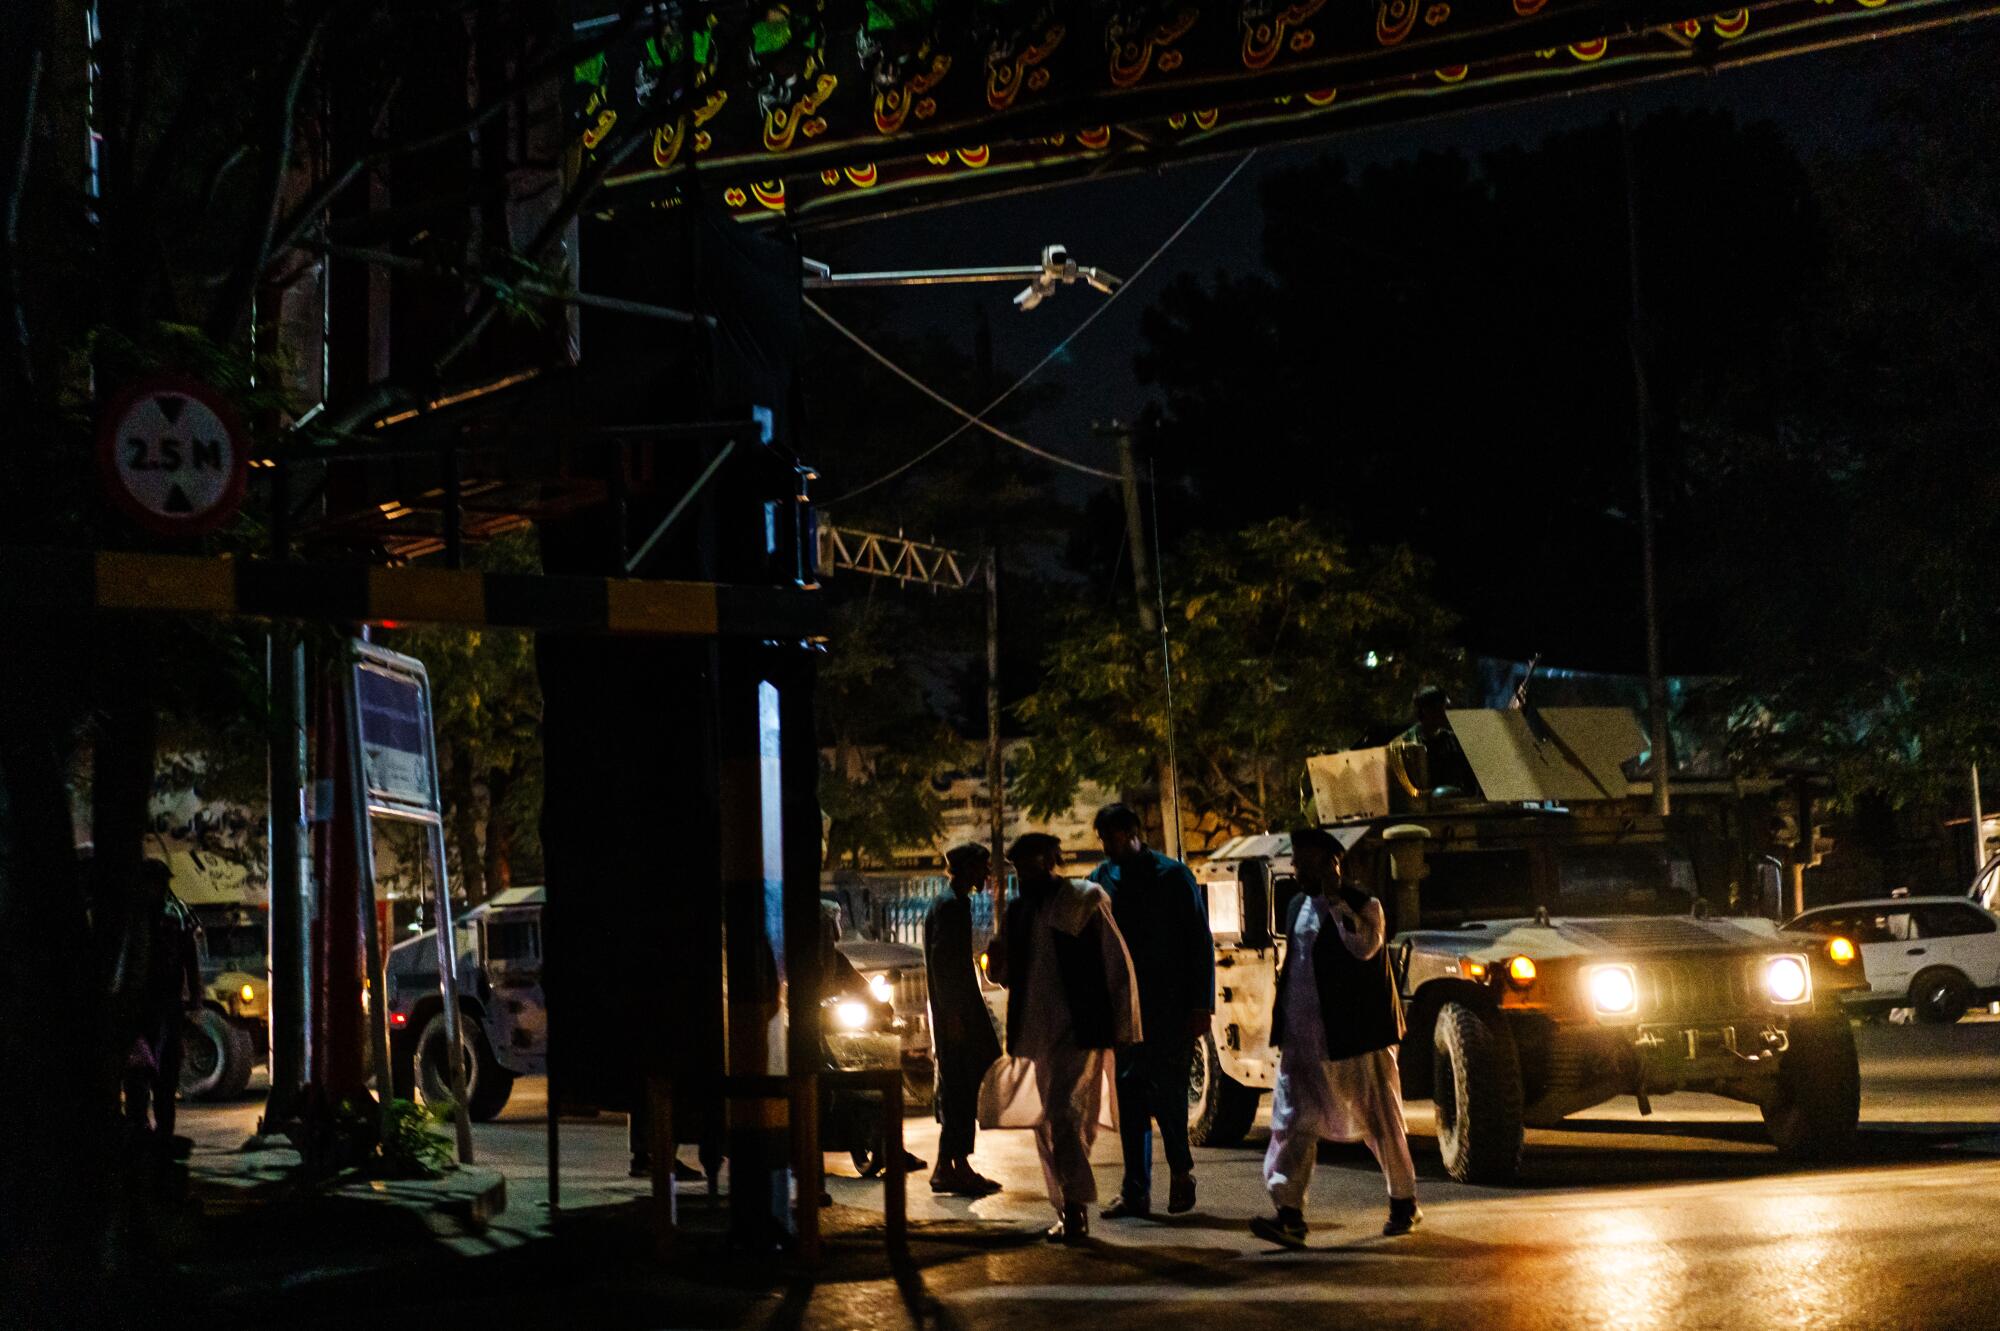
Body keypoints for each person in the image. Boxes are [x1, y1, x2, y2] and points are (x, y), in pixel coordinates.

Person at [1251, 828, 1420, 1248]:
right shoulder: (1295, 906)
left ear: (1333, 864)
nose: (1296, 870)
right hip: (1302, 1040)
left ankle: (1403, 1202)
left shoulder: (1366, 907)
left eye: (1305, 864)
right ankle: (1288, 1215)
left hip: (1356, 1036)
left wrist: (1337, 900)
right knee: (1291, 1122)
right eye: (1297, 863)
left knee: (1381, 1120)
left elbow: (1362, 947)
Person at [986, 833, 1141, 1244]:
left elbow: (1115, 963)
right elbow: (1004, 975)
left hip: (1079, 1028)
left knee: (1063, 1114)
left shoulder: (1084, 899)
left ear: (1052, 862)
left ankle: (1075, 1209)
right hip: (1035, 1033)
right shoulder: (1018, 911)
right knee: (1050, 1124)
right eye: (1020, 868)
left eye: (1033, 865)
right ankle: (1066, 1206)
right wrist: (994, 966)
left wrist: (1124, 1025)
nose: (1026, 874)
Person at [1087, 803, 1213, 1219]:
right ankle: (1135, 1190)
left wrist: (1201, 1004)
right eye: (1103, 839)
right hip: (1122, 1009)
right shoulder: (1101, 880)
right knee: (1131, 1097)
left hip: (1168, 1008)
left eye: (1112, 837)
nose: (1107, 846)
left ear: (1133, 832)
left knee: (1170, 1094)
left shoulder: (1173, 876)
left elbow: (1199, 942)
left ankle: (1181, 1173)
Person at [923, 844, 1003, 1196]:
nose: (986, 875)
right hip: (956, 1016)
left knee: (962, 1087)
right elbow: (945, 964)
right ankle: (949, 1166)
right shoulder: (951, 905)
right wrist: (954, 1015)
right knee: (960, 1088)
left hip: (956, 1012)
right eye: (982, 867)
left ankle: (957, 1164)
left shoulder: (951, 902)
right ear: (967, 869)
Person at [114, 860, 201, 1144]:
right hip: (140, 1007)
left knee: (165, 1075)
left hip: (166, 1006)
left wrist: (195, 995)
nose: (161, 889)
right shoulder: (134, 918)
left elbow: (189, 956)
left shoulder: (175, 915)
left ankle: (162, 1132)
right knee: (138, 1071)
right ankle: (138, 1126)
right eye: (156, 883)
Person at [1406, 684, 1477, 796]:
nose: (1447, 713)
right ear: (1427, 710)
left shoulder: (1453, 741)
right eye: (1443, 708)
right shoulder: (1407, 744)